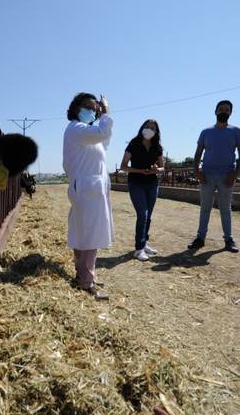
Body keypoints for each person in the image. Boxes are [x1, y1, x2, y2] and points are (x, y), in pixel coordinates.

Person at [63, 92, 114, 300]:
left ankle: (82, 274)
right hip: (87, 188)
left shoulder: (87, 133)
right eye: (88, 107)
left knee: (82, 232)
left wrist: (101, 118)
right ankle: (87, 282)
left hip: (88, 188)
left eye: (95, 108)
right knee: (90, 236)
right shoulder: (77, 129)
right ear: (76, 108)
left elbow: (104, 139)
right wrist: (107, 112)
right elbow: (103, 132)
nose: (92, 111)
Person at [188, 100, 240, 252]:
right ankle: (200, 238)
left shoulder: (236, 131)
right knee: (205, 207)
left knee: (225, 208)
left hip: (227, 175)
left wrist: (234, 174)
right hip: (207, 174)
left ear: (230, 113)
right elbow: (198, 154)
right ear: (215, 111)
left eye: (227, 110)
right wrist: (197, 172)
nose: (224, 112)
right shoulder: (206, 132)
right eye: (221, 109)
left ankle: (229, 240)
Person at [119, 120, 164, 261]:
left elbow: (163, 168)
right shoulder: (134, 143)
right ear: (142, 128)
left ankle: (144, 243)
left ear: (156, 132)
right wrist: (140, 171)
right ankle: (138, 249)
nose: (149, 129)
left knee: (148, 215)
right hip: (136, 183)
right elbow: (123, 166)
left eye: (152, 128)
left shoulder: (157, 146)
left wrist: (157, 170)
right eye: (147, 127)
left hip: (152, 183)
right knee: (142, 214)